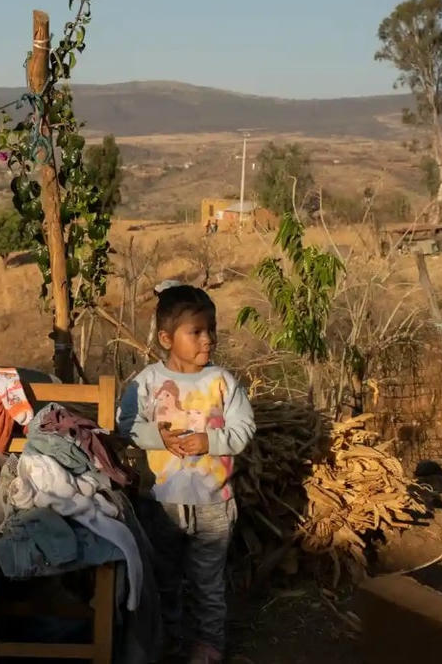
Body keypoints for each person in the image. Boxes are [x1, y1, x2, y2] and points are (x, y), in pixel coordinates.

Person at [116, 283, 255, 664]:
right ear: (166, 338)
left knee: (208, 584)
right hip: (160, 505)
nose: (207, 340)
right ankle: (170, 643)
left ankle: (208, 646)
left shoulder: (224, 383)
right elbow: (124, 423)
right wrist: (155, 436)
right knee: (164, 580)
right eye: (196, 332)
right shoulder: (146, 383)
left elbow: (243, 431)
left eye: (210, 329)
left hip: (214, 505)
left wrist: (209, 441)